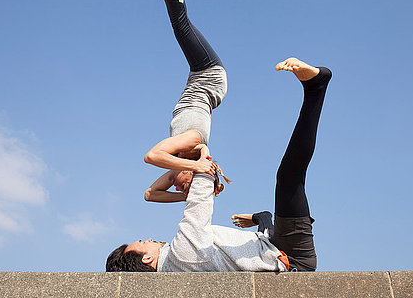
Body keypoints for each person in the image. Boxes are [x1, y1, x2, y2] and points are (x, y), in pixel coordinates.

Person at [106, 53, 332, 272]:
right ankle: (315, 89)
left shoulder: (178, 263)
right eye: (140, 242)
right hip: (289, 254)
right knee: (289, 177)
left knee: (288, 179)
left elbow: (152, 193)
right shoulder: (181, 254)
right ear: (146, 258)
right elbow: (198, 206)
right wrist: (201, 162)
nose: (147, 239)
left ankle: (315, 89)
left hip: (275, 246)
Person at [125, 0, 229, 202]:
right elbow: (151, 156)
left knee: (180, 25)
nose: (177, 185)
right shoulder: (193, 142)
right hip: (209, 77)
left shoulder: (180, 164)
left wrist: (187, 196)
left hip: (198, 86)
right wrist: (196, 167)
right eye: (183, 186)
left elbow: (150, 195)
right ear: (193, 172)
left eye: (180, 189)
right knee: (180, 22)